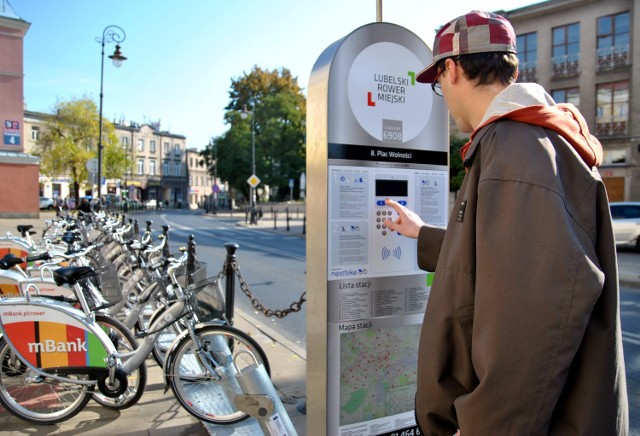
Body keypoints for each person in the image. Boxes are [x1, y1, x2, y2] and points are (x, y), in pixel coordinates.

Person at [383, 10, 628, 435]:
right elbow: (506, 262)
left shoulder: (515, 149)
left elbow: (535, 316)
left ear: (452, 69)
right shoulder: (526, 143)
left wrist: (486, 425)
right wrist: (422, 234)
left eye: (439, 84)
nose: (443, 94)